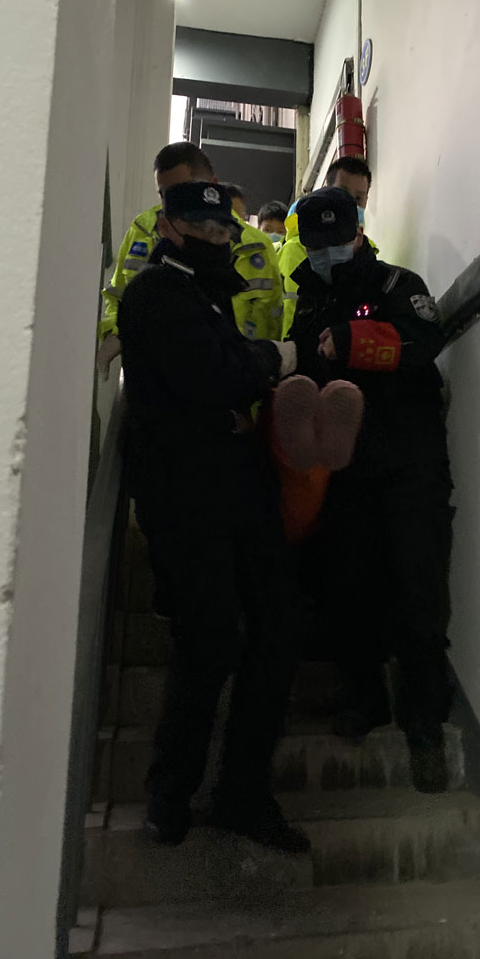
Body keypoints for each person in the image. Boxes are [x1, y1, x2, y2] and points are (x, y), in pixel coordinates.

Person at [117, 179, 308, 853]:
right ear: (169, 227)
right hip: (184, 497)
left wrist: (243, 374)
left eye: (224, 229)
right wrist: (268, 360)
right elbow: (214, 378)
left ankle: (242, 794)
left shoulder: (206, 294)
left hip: (237, 487)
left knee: (278, 627)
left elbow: (224, 375)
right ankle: (171, 795)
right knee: (209, 638)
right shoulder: (155, 293)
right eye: (201, 227)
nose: (216, 238)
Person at [285, 187, 454, 794]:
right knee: (348, 590)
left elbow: (423, 343)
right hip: (344, 472)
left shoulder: (396, 285)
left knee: (418, 589)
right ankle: (365, 698)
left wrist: (354, 341)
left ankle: (425, 723)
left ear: (357, 234)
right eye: (315, 245)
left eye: (336, 242)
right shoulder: (307, 300)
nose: (326, 254)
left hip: (410, 465)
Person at [97, 144, 283, 377]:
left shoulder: (255, 247)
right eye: (164, 194)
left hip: (235, 379)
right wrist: (116, 332)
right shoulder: (143, 230)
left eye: (183, 191)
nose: (173, 204)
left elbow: (271, 320)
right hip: (154, 378)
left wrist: (263, 369)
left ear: (212, 186)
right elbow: (117, 293)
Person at [279, 156, 376, 337]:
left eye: (359, 198)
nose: (351, 203)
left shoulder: (383, 273)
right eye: (343, 192)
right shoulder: (297, 250)